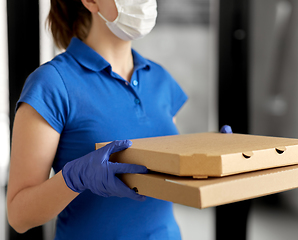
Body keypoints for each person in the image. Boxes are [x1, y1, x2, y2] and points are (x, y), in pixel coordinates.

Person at [7, 0, 233, 239]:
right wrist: (74, 178)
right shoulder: (52, 83)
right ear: (90, 2)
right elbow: (19, 216)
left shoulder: (159, 78)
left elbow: (164, 177)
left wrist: (206, 161)